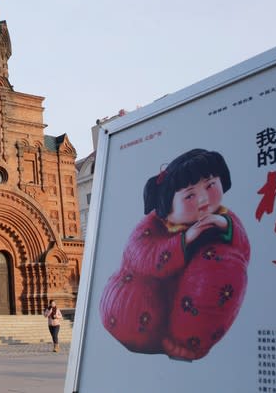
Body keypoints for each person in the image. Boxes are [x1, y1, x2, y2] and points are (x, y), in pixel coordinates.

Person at [100, 149, 250, 361]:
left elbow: (243, 250)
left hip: (188, 314)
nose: (203, 200)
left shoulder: (223, 217)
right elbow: (140, 256)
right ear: (167, 206)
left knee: (224, 265)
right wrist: (185, 239)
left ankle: (189, 340)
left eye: (210, 185)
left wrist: (225, 225)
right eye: (190, 195)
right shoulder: (153, 225)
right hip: (145, 312)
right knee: (133, 297)